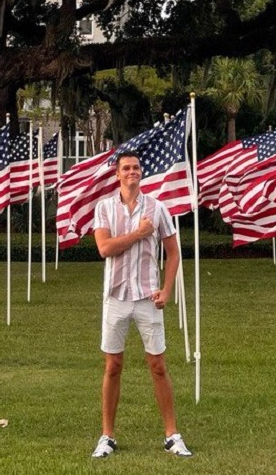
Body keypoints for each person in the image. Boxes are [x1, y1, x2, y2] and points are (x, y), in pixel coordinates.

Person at [90, 150, 192, 458]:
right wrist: (138, 234)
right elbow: (105, 248)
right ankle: (107, 436)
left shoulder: (158, 208)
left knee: (158, 365)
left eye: (136, 167)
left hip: (148, 297)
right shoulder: (105, 208)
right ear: (118, 174)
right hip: (116, 297)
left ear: (141, 172)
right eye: (126, 168)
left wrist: (167, 289)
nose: (132, 172)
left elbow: (173, 253)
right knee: (113, 365)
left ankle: (172, 435)